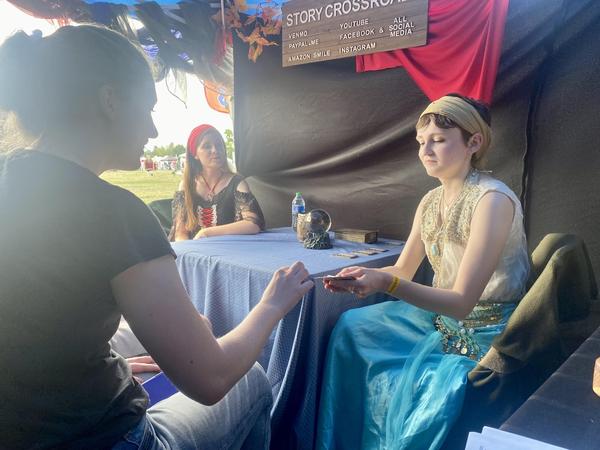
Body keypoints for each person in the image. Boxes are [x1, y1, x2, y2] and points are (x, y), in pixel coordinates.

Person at [0, 25, 313, 449]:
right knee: (251, 379)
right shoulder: (111, 211)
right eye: (147, 108)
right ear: (109, 100)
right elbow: (210, 378)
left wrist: (108, 361)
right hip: (99, 437)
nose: (150, 130)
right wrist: (271, 304)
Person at [315, 94, 530, 449]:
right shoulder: (431, 201)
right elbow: (403, 268)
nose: (425, 151)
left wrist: (387, 281)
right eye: (421, 142)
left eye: (439, 141)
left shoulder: (493, 200)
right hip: (438, 318)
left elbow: (462, 302)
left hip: (487, 329)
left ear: (473, 143)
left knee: (426, 397)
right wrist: (364, 276)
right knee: (350, 328)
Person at [169, 124, 265, 241]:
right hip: (196, 254)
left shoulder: (237, 183)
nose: (215, 150)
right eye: (207, 146)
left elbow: (253, 224)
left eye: (219, 145)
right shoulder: (187, 185)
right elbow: (180, 233)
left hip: (230, 252)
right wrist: (189, 254)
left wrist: (207, 232)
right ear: (195, 154)